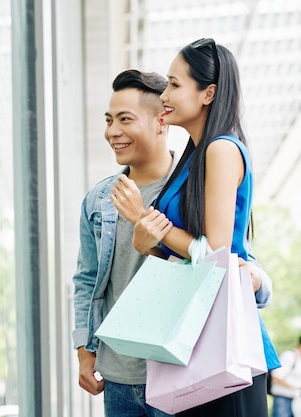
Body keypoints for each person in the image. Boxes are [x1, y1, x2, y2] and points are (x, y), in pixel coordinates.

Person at [112, 38, 279, 417]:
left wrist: (144, 218)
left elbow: (214, 251)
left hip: (223, 344)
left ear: (208, 93)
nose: (164, 95)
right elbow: (178, 249)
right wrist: (147, 241)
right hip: (195, 343)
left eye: (174, 84)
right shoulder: (195, 154)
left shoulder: (221, 149)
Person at [72, 69, 177, 417]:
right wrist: (84, 350)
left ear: (162, 121)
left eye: (125, 119)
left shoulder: (190, 192)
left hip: (176, 373)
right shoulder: (98, 199)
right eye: (109, 120)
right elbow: (86, 279)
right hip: (116, 379)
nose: (112, 132)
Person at [270, 336, 301, 417]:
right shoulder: (289, 356)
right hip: (283, 398)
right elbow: (276, 377)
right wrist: (296, 387)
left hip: (296, 400)